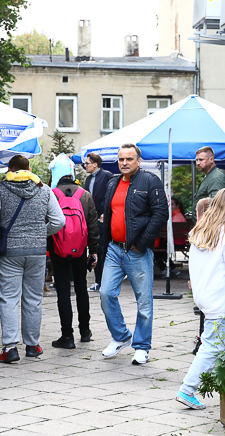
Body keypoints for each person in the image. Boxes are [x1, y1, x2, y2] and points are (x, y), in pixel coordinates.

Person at [177, 188, 225, 409]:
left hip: (210, 298)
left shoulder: (201, 230)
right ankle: (187, 389)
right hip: (223, 300)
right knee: (212, 345)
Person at [0, 155, 65, 364]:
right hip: (37, 252)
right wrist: (39, 233)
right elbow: (59, 221)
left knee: (8, 298)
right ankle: (32, 345)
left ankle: (10, 347)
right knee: (33, 299)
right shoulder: (44, 189)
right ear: (29, 169)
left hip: (10, 252)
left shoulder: (1, 189)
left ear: (10, 169)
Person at [100, 143, 169, 365]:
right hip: (114, 249)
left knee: (144, 302)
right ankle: (121, 337)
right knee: (105, 293)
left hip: (137, 251)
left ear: (138, 161)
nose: (124, 163)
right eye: (121, 159)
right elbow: (108, 214)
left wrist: (141, 244)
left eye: (129, 159)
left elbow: (161, 214)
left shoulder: (150, 181)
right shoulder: (112, 182)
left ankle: (142, 347)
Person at [50, 169, 100, 349]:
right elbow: (93, 226)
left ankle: (67, 336)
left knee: (63, 292)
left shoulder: (52, 194)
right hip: (80, 250)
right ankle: (85, 331)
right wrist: (93, 251)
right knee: (81, 289)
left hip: (58, 250)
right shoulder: (85, 195)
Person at [83, 152, 109, 291]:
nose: (85, 166)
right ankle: (98, 281)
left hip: (102, 219)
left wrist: (105, 212)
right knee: (95, 250)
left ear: (95, 164)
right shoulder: (88, 179)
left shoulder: (106, 176)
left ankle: (103, 281)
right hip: (91, 219)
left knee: (102, 250)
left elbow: (109, 196)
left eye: (87, 163)